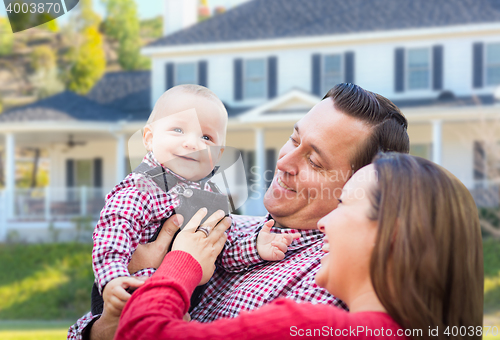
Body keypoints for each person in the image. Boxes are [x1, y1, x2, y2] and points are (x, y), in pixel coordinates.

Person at [72, 83, 411, 339]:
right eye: (294, 140)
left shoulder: (328, 280)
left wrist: (176, 266)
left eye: (315, 161)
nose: (283, 162)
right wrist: (109, 316)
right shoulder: (228, 226)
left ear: (361, 184)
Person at [115, 153, 484, 340]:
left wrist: (182, 261)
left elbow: (142, 333)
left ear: (391, 234)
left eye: (344, 205)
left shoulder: (308, 326)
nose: (325, 224)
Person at [68, 85, 298, 340]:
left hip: (178, 307)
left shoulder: (212, 198)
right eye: (178, 130)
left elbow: (220, 249)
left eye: (207, 138)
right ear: (149, 138)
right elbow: (113, 235)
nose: (192, 143)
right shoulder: (141, 187)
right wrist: (113, 279)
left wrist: (255, 247)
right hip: (130, 292)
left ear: (218, 155)